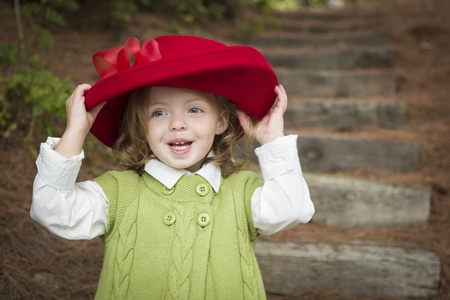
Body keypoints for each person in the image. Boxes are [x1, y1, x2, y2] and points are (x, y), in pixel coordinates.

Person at [31, 35, 314, 299]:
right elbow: (52, 209)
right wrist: (74, 133)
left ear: (221, 122)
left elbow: (292, 208)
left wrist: (273, 142)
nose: (177, 123)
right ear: (141, 127)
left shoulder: (241, 193)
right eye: (159, 112)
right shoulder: (118, 194)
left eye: (194, 109)